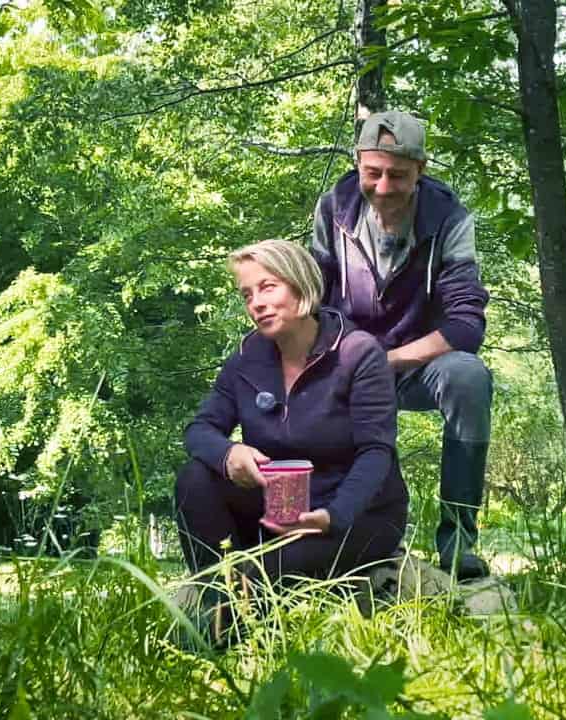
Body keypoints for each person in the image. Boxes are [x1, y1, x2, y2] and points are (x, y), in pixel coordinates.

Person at [311, 110, 493, 580]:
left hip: (417, 361)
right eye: (373, 173)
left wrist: (385, 360)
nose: (384, 186)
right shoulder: (334, 207)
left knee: (469, 377)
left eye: (399, 175)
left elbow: (466, 325)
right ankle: (339, 537)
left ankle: (458, 541)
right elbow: (313, 297)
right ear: (357, 165)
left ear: (421, 170)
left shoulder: (449, 217)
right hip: (350, 360)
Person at [175, 239, 408, 587]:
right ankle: (213, 594)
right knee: (196, 476)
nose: (257, 304)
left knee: (262, 579)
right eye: (247, 295)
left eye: (268, 287)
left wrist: (334, 516)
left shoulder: (358, 353)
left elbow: (377, 452)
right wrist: (229, 453)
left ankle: (242, 597)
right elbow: (199, 430)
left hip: (353, 516)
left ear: (301, 286)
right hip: (278, 508)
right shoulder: (246, 358)